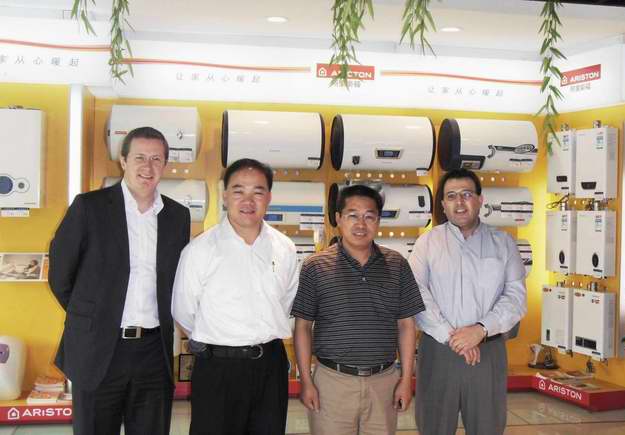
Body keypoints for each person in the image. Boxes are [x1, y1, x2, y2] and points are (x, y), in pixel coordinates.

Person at [48, 126, 190, 435]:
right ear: (123, 160)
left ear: (165, 164)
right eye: (139, 157)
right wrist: (92, 318)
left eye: (156, 159)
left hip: (154, 352)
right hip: (98, 349)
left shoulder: (177, 216)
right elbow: (60, 275)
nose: (148, 166)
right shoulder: (89, 207)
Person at [172, 158, 299, 435]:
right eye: (239, 190)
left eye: (258, 192)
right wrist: (221, 340)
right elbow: (184, 311)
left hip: (270, 366)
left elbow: (285, 303)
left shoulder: (285, 248)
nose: (248, 201)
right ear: (225, 195)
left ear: (269, 197)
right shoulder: (200, 250)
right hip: (218, 367)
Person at [292, 184, 425, 435]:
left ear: (378, 221)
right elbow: (302, 326)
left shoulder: (397, 264)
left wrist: (406, 380)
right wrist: (306, 381)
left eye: (369, 216)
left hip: (384, 382)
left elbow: (406, 325)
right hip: (332, 383)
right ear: (339, 219)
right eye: (352, 215)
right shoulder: (315, 266)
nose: (361, 224)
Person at [408, 168, 527, 435]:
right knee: (434, 427)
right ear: (443, 204)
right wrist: (452, 336)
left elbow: (516, 297)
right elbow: (416, 293)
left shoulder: (503, 243)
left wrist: (480, 329)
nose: (459, 202)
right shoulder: (427, 243)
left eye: (466, 194)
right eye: (451, 196)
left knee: (488, 427)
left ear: (480, 200)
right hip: (438, 351)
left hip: (488, 351)